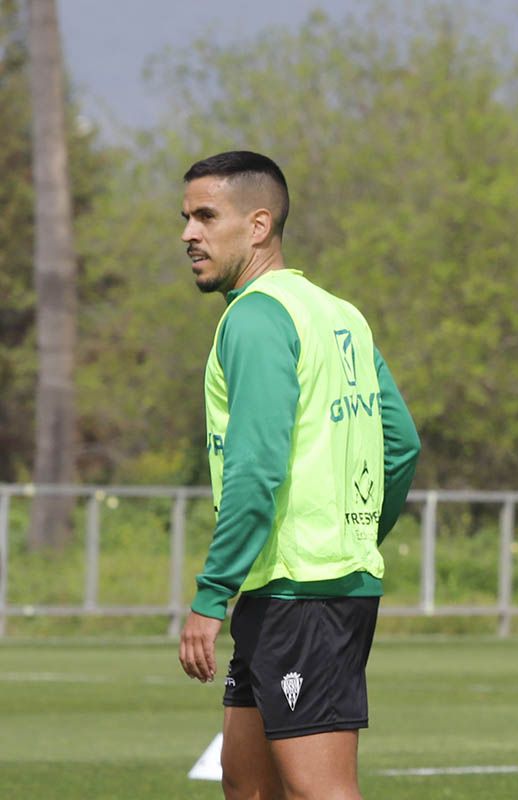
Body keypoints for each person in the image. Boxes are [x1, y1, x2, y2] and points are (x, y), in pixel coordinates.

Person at [177, 150, 420, 800]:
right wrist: (358, 534)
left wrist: (210, 594)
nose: (188, 234)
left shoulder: (255, 319)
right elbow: (401, 445)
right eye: (186, 218)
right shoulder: (339, 314)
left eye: (205, 216)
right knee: (246, 784)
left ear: (258, 226)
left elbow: (255, 467)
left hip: (301, 592)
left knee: (320, 790)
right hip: (294, 587)